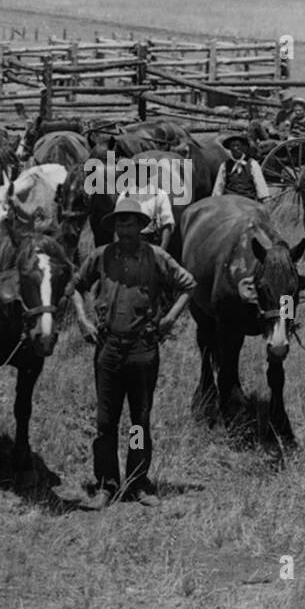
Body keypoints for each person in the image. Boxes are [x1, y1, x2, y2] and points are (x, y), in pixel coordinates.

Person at [72, 197, 195, 510]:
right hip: (108, 348)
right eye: (119, 223)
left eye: (130, 223)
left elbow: (189, 285)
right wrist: (84, 320)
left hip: (143, 348)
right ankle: (106, 484)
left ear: (142, 226)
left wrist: (169, 320)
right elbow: (75, 286)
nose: (123, 229)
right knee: (105, 421)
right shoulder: (101, 257)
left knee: (139, 421)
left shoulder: (156, 257)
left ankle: (138, 481)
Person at [114, 179, 175, 250]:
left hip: (151, 242)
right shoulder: (124, 195)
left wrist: (161, 251)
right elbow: (117, 225)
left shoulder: (161, 195)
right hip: (128, 242)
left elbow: (167, 225)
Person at [212, 132, 269, 201]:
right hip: (230, 201)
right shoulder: (224, 165)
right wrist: (215, 200)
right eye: (232, 146)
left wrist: (264, 198)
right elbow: (219, 185)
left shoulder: (252, 164)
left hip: (248, 201)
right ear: (230, 148)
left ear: (243, 147)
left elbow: (260, 184)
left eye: (238, 145)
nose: (235, 148)